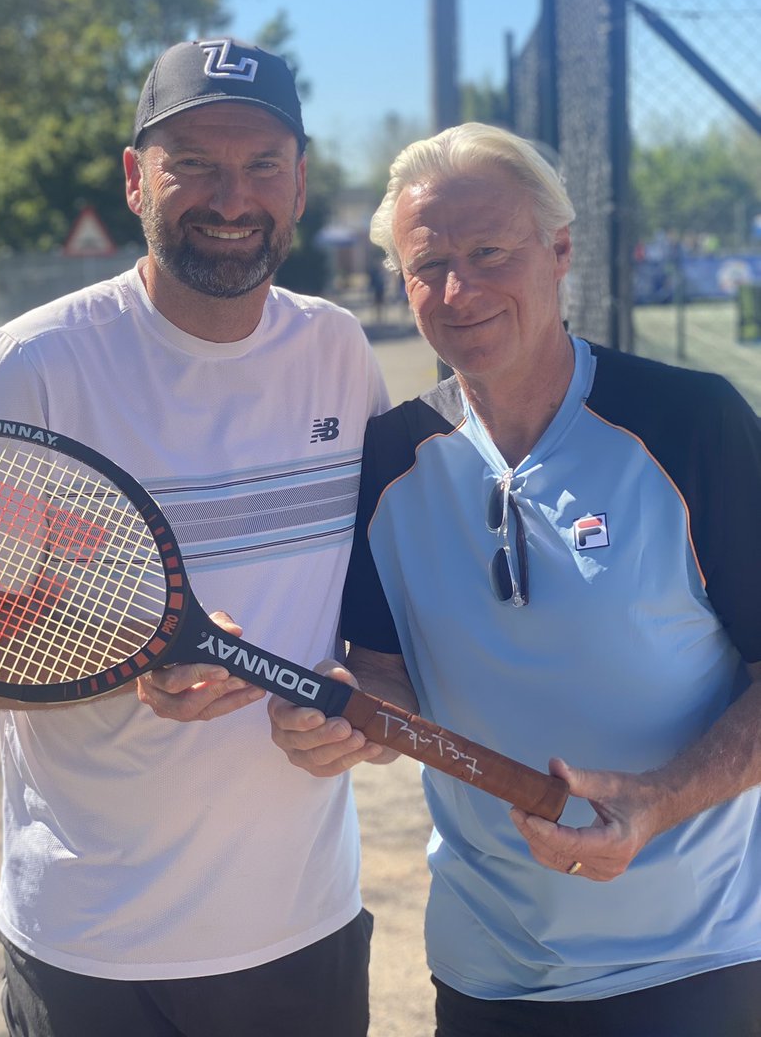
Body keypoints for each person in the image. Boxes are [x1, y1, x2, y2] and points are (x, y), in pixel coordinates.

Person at [0, 37, 389, 1037]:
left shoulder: (338, 354)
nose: (231, 196)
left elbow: (370, 622)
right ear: (136, 180)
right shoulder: (32, 372)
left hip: (307, 927)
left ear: (299, 186)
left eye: (261, 165)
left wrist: (357, 702)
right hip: (95, 951)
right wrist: (127, 654)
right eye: (195, 164)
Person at [269, 122, 761, 1036]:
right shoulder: (389, 457)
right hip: (487, 971)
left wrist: (662, 802)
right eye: (429, 264)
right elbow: (385, 672)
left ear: (560, 249)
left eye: (490, 251)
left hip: (698, 962)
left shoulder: (693, 424)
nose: (459, 291)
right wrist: (350, 721)